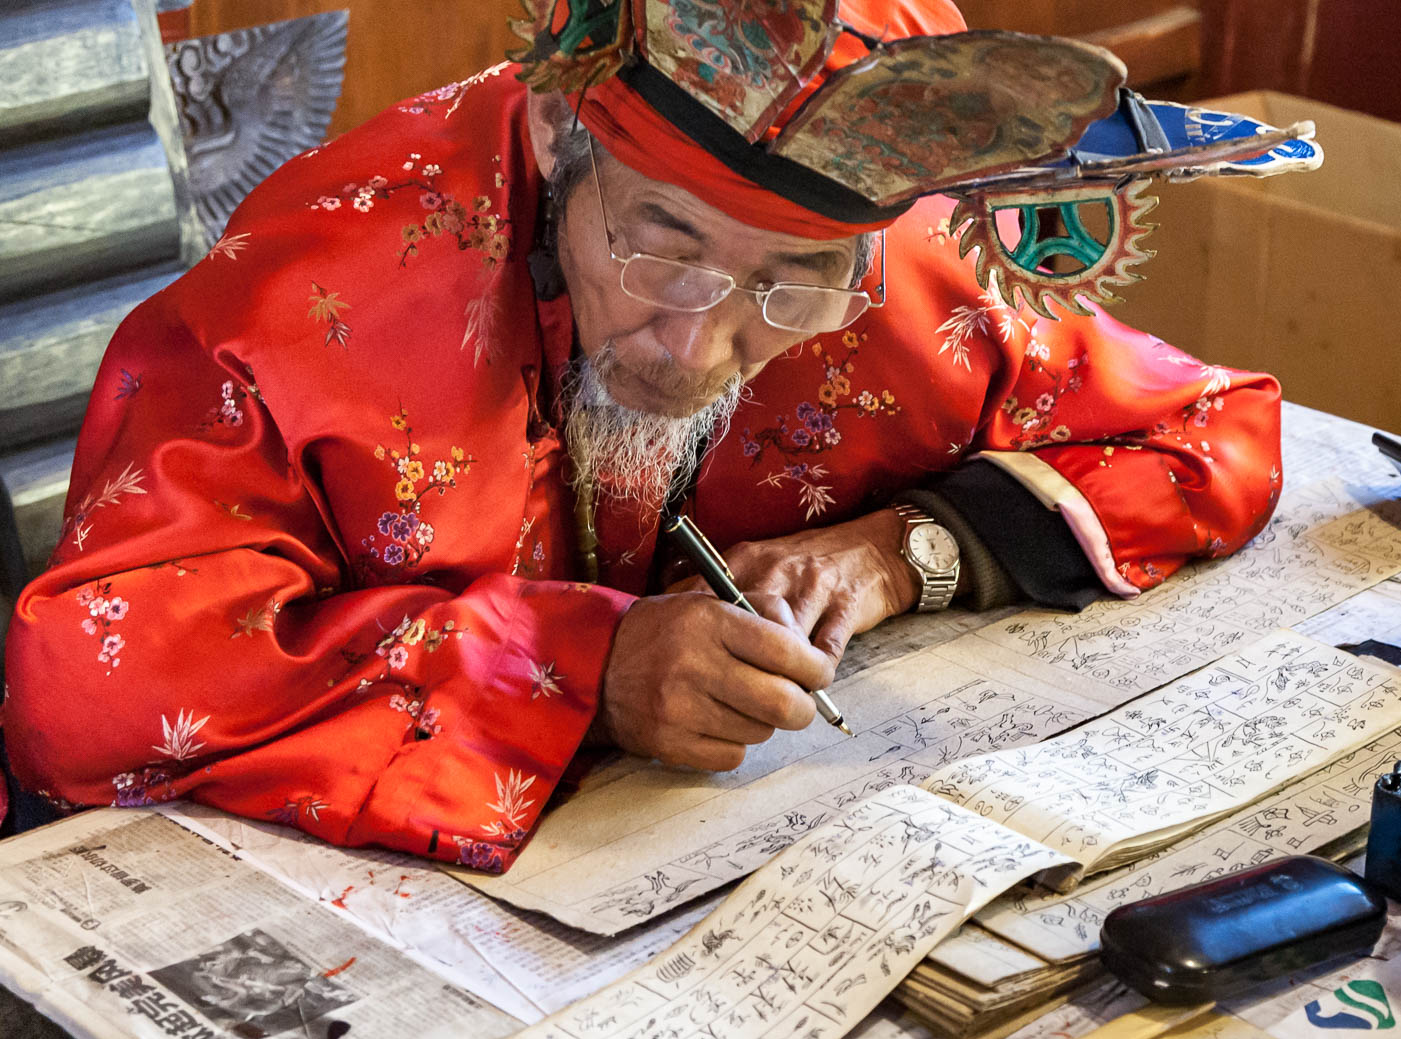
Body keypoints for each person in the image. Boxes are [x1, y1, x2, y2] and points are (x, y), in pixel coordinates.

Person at [1, 0, 1297, 871]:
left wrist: (902, 553)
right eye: (660, 246)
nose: (695, 345)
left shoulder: (894, 269)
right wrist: (577, 669)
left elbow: (1209, 430)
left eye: (786, 285)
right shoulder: (304, 308)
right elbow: (91, 682)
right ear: (558, 134)